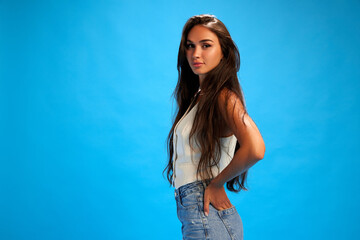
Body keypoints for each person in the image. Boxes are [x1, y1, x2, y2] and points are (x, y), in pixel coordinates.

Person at [163, 14, 266, 240]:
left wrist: (217, 183)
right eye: (190, 46)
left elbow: (256, 148)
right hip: (196, 215)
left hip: (206, 216)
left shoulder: (223, 96)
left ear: (224, 51)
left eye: (206, 45)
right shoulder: (200, 98)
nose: (195, 54)